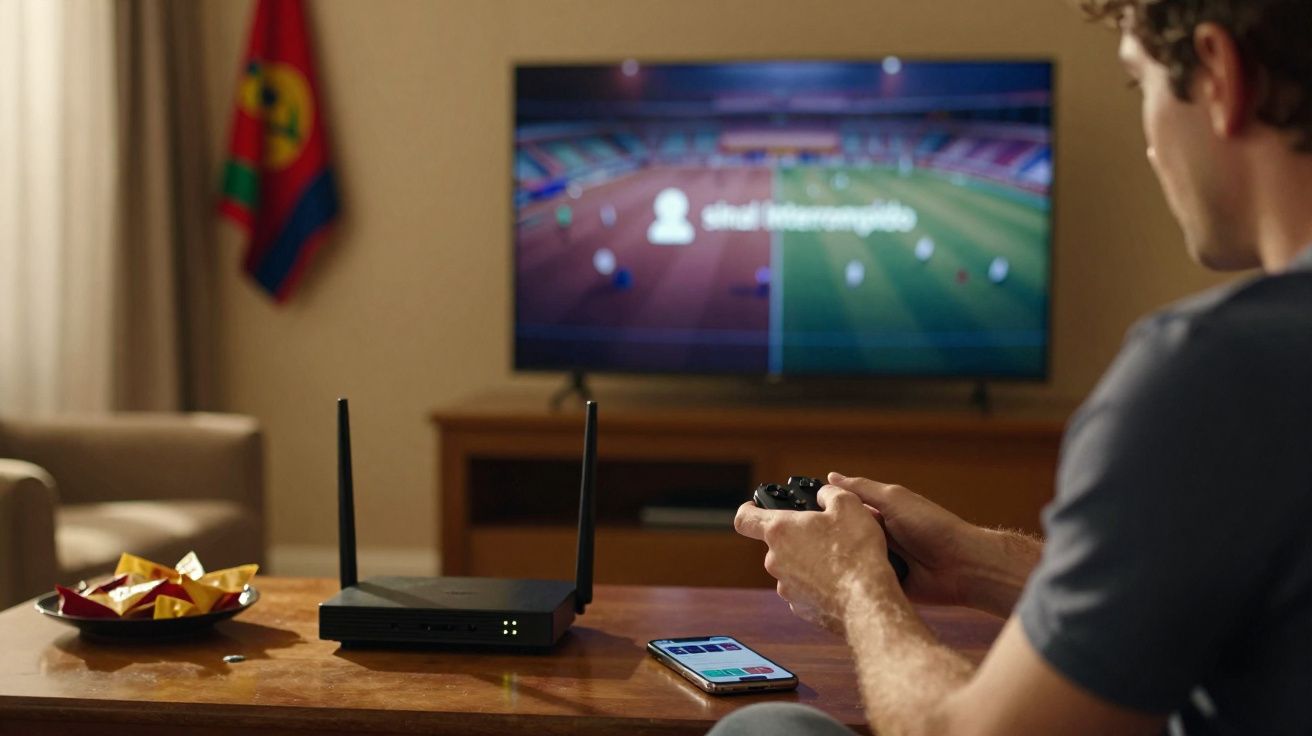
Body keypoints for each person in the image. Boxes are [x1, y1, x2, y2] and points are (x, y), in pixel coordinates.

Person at [718, 1, 1312, 734]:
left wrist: (858, 587)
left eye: (1139, 85)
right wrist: (975, 562)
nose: (1152, 147)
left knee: (768, 727)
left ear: (1220, 74)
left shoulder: (1212, 375)